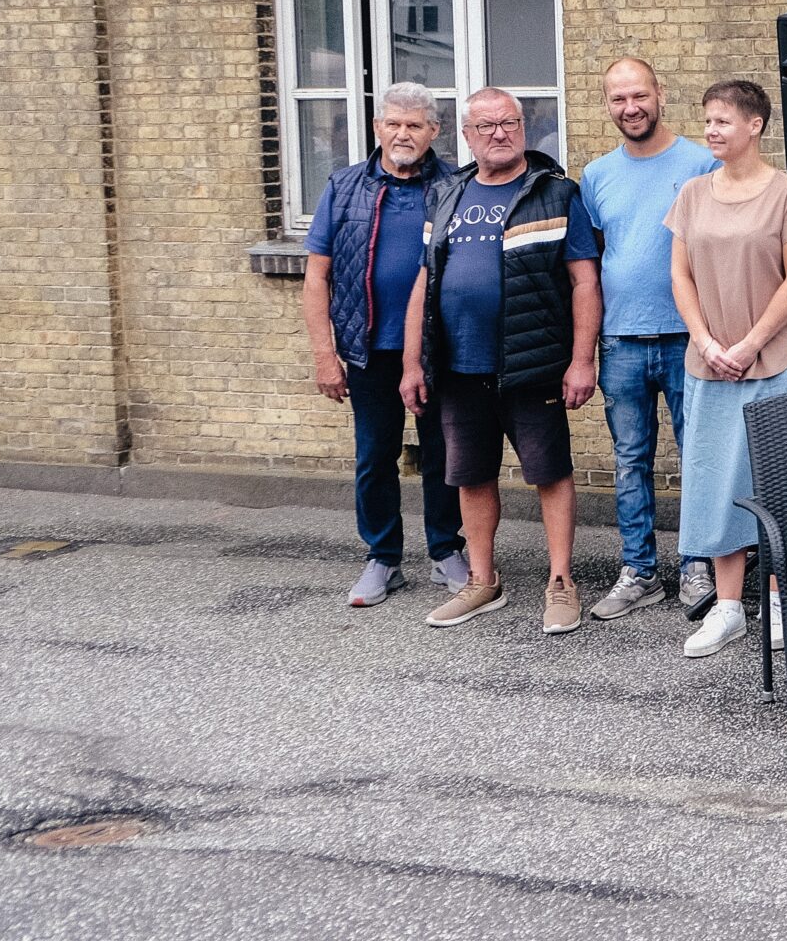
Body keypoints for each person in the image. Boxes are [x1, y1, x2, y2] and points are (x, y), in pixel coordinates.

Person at [402, 89, 601, 635]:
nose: (499, 133)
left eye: (509, 122)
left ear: (523, 127)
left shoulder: (555, 192)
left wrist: (581, 360)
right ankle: (482, 580)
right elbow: (425, 280)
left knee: (550, 472)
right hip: (459, 366)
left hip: (532, 362)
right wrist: (413, 363)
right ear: (466, 135)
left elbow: (585, 281)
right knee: (470, 475)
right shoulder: (446, 194)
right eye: (486, 125)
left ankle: (560, 581)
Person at [669, 80, 787, 660]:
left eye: (722, 121)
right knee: (715, 486)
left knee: (781, 486)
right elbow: (680, 275)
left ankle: (782, 600)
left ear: (755, 125)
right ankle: (729, 608)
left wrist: (750, 343)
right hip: (711, 364)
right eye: (707, 120)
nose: (710, 130)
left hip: (777, 363)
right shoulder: (692, 193)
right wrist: (707, 341)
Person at [302, 82, 467, 607]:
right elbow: (316, 276)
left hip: (439, 348)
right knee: (375, 456)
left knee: (444, 453)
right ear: (377, 128)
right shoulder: (345, 186)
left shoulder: (456, 186)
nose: (403, 134)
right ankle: (382, 557)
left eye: (414, 125)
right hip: (368, 348)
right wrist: (325, 355)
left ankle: (446, 550)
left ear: (434, 131)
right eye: (393, 123)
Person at [576, 58, 720, 623]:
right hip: (621, 340)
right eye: (618, 99)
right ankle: (639, 571)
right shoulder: (596, 176)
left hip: (690, 337)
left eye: (639, 95)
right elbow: (592, 263)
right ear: (607, 105)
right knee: (630, 460)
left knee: (698, 456)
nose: (630, 108)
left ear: (660, 94)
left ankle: (697, 564)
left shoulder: (702, 163)